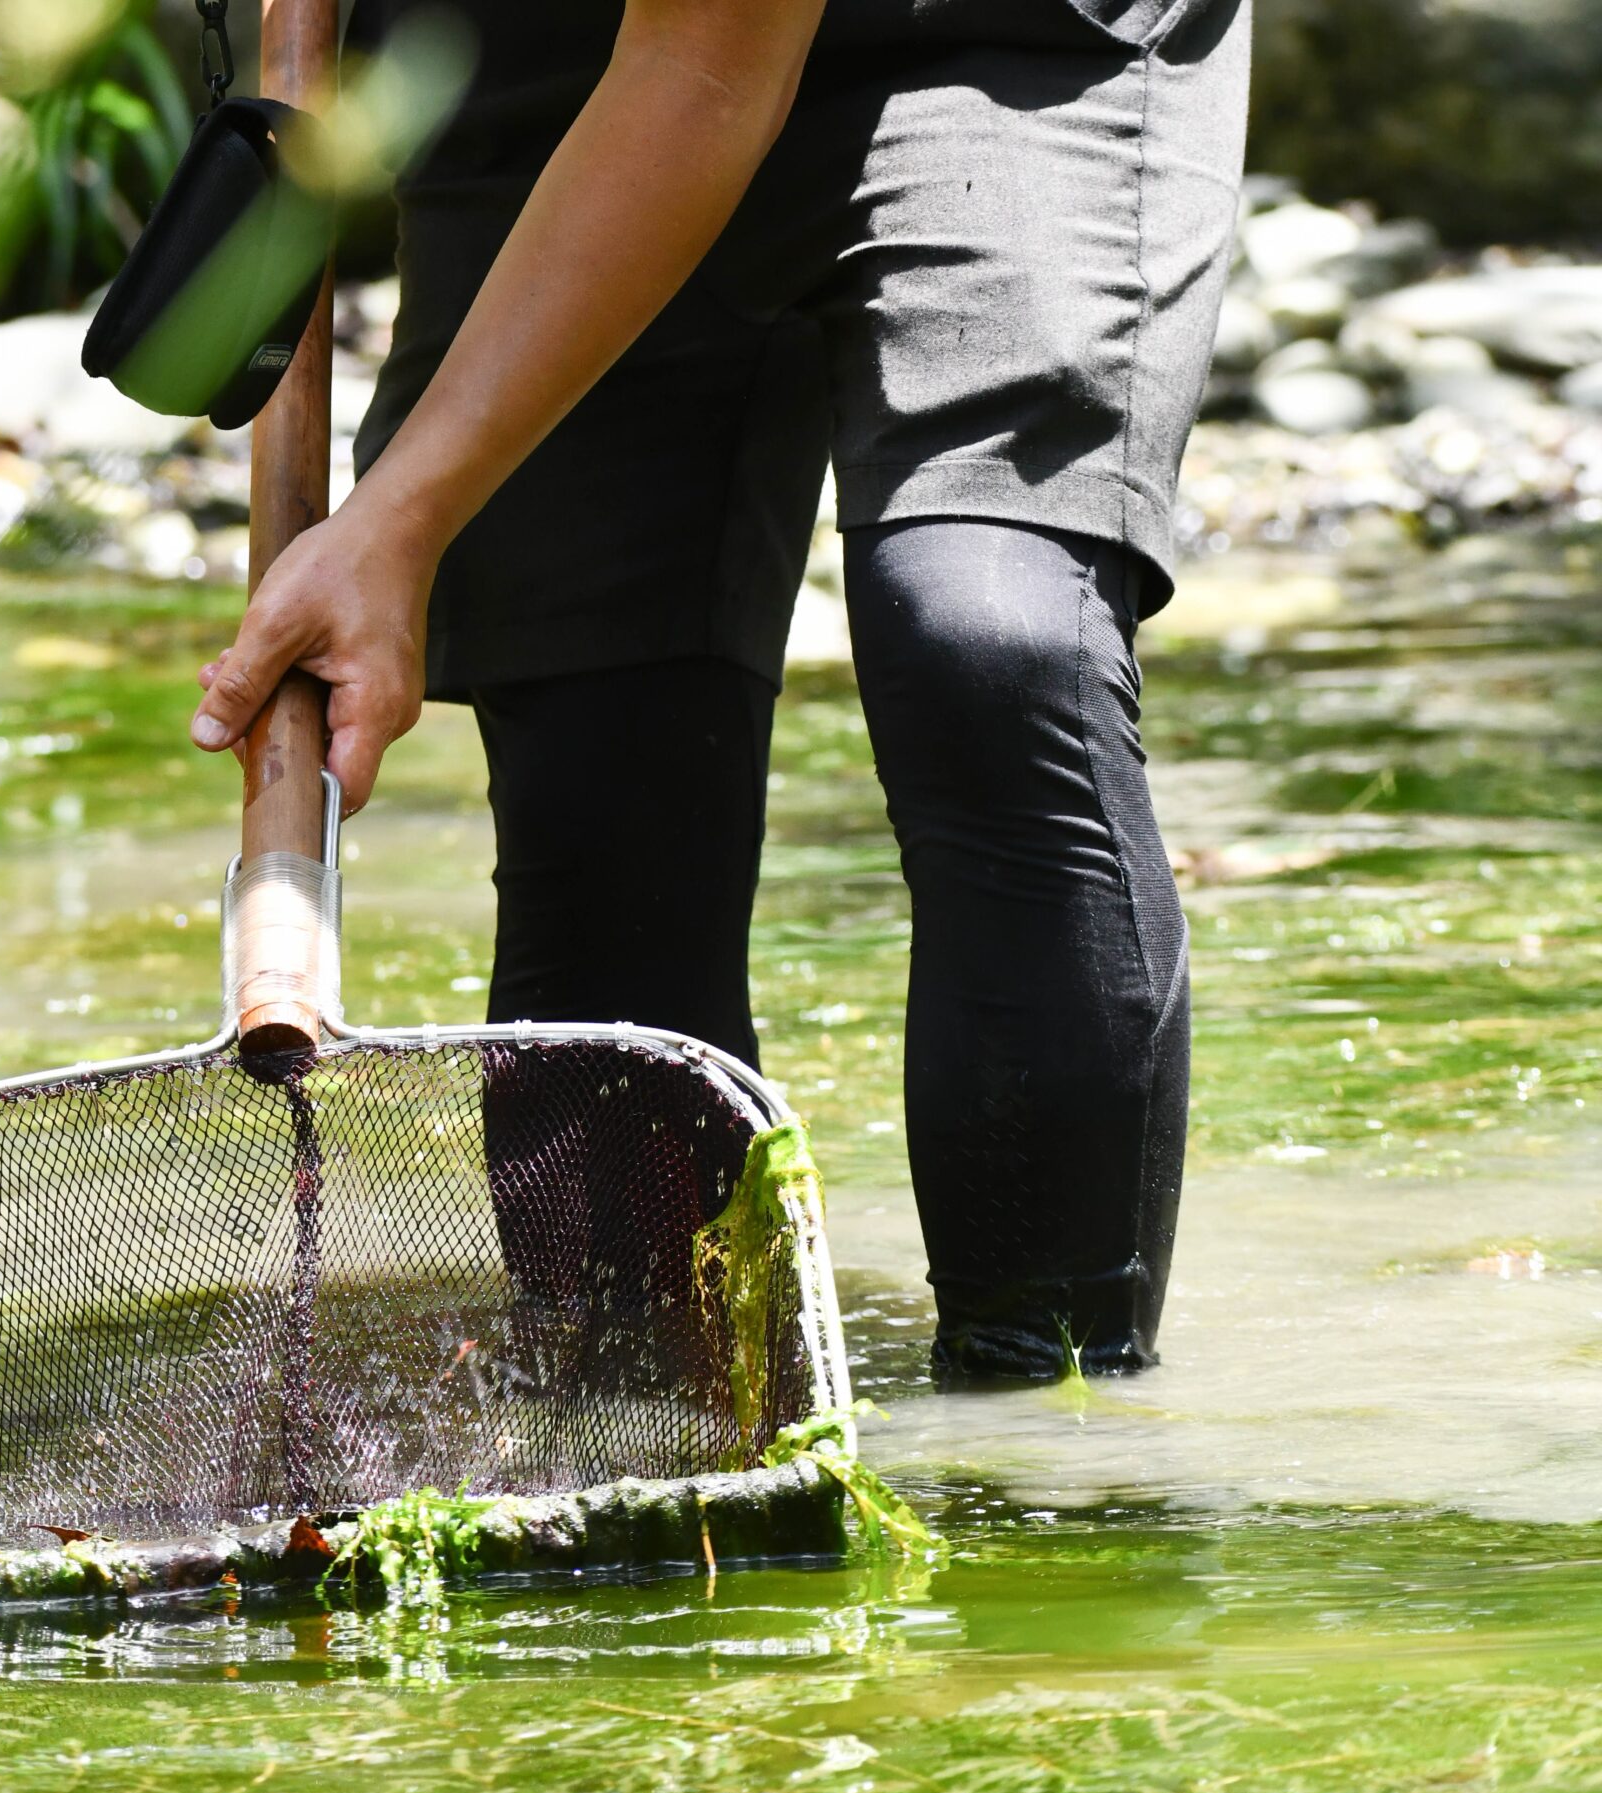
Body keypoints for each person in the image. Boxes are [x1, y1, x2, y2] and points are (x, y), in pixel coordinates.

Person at [187, 0, 1247, 1380]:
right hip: (550, 60)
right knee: (604, 760)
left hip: (1009, 37)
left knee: (989, 638)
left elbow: (702, 68)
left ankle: (1051, 1467)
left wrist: (398, 522)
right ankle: (646, 1442)